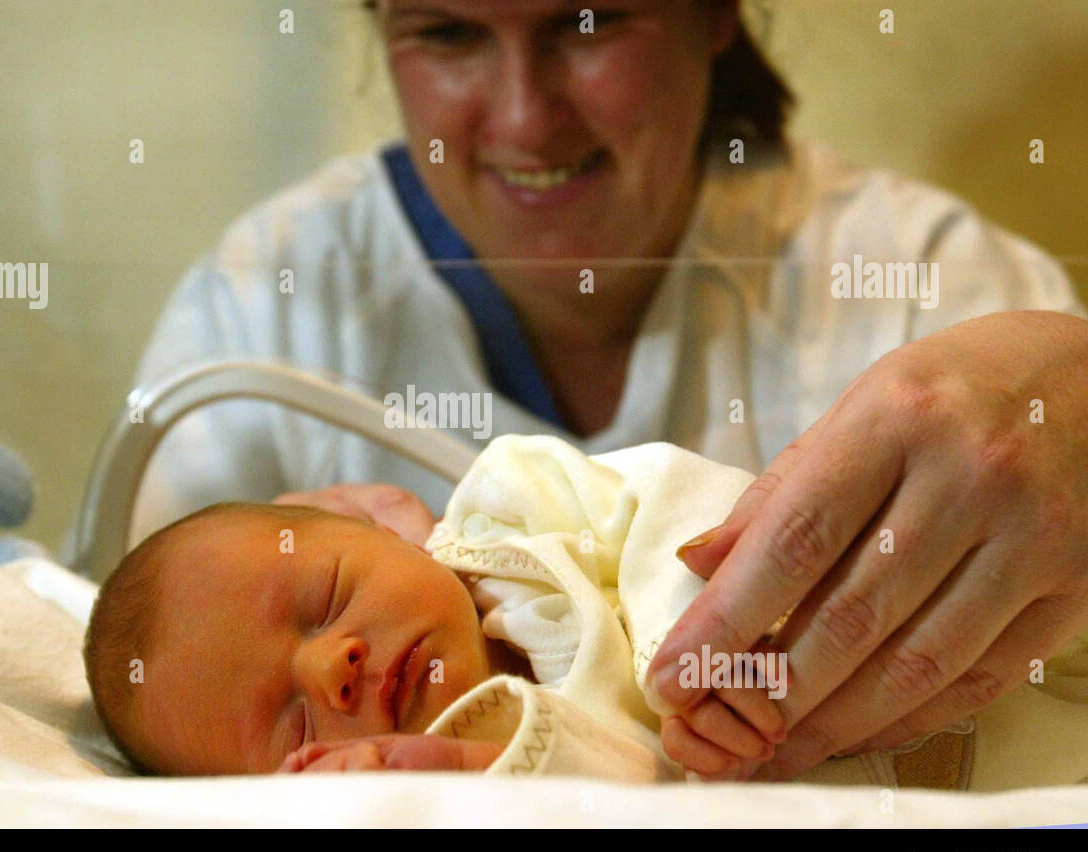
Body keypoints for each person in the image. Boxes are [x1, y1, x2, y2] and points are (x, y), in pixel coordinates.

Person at [131, 0, 1088, 780]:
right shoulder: (266, 308)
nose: (524, 117)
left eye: (588, 23)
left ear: (714, 16)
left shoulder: (922, 281)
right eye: (449, 33)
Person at [85, 435, 1088, 789]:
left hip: (950, 635)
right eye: (295, 727)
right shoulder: (452, 786)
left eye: (322, 602)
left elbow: (672, 504)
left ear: (390, 531)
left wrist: (705, 648)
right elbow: (625, 799)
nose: (330, 668)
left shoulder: (516, 510)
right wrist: (453, 777)